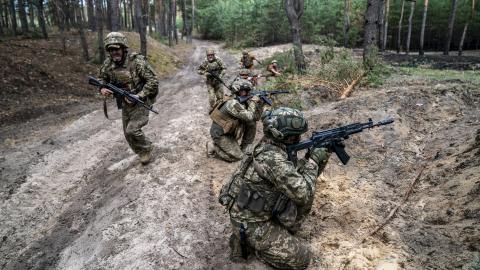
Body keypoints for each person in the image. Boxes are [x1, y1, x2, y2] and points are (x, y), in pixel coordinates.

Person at [218, 107, 331, 269]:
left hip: (249, 210)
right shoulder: (274, 159)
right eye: (295, 135)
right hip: (252, 224)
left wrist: (311, 158)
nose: (299, 138)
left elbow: (291, 177)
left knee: (295, 192)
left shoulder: (265, 145)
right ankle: (251, 246)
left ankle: (247, 237)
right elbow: (304, 194)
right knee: (302, 259)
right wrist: (313, 162)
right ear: (284, 136)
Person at [98, 32, 159, 165]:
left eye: (117, 49)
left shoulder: (136, 62)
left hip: (140, 100)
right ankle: (142, 151)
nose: (115, 52)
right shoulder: (108, 64)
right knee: (127, 134)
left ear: (123, 48)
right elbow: (101, 78)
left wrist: (140, 95)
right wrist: (102, 88)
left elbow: (153, 80)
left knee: (132, 129)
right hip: (124, 101)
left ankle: (146, 148)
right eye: (111, 50)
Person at [207, 79, 264, 162]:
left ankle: (245, 146)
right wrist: (253, 102)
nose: (249, 93)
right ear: (238, 91)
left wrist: (260, 104)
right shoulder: (232, 103)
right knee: (238, 157)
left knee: (251, 123)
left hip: (229, 131)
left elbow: (256, 117)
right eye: (246, 91)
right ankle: (213, 147)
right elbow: (249, 116)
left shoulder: (241, 101)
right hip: (221, 134)